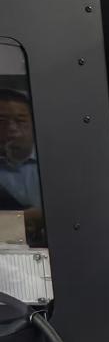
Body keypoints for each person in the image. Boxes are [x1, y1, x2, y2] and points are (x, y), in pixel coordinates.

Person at [0, 88, 45, 246]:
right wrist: (27, 219)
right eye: (2, 121)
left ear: (34, 124)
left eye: (20, 120)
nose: (12, 128)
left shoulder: (55, 163)